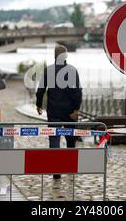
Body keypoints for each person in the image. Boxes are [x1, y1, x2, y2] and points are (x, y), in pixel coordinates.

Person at [36, 44, 82, 180]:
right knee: (71, 140)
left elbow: (41, 90)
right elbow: (77, 92)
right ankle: (71, 167)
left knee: (54, 141)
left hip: (54, 112)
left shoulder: (48, 70)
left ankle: (56, 172)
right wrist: (76, 109)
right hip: (69, 113)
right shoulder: (72, 71)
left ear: (54, 56)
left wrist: (38, 105)